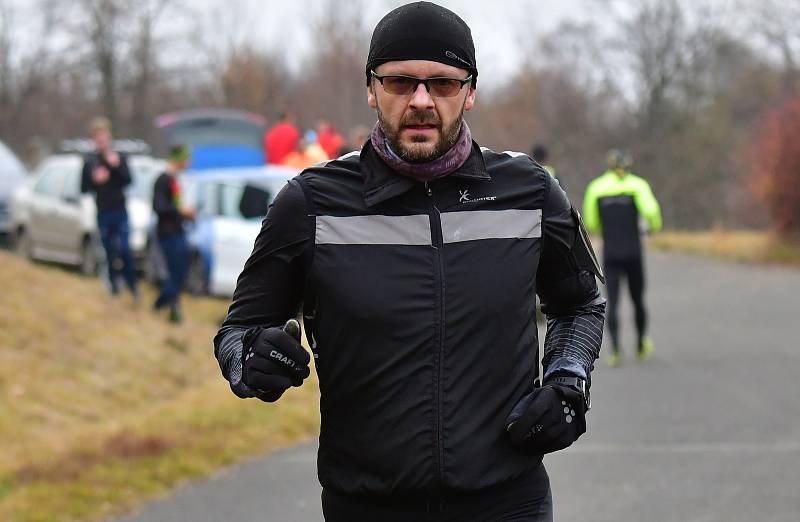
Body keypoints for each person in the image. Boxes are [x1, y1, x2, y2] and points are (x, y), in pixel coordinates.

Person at [214, 3, 605, 520]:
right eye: (401, 82)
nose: (421, 101)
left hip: (507, 500)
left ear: (470, 91)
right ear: (371, 89)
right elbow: (238, 331)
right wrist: (251, 361)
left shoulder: (529, 192)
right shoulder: (309, 204)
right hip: (367, 504)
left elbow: (582, 303)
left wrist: (567, 380)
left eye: (442, 84)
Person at [582, 149, 662, 367]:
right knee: (638, 299)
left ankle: (616, 349)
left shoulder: (596, 188)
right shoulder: (638, 185)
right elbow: (652, 212)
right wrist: (654, 227)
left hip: (611, 251)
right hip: (633, 250)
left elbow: (591, 221)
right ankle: (641, 343)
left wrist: (603, 227)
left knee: (613, 301)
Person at [80, 117, 138, 300]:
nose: (101, 141)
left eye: (104, 136)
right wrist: (95, 180)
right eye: (97, 138)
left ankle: (132, 286)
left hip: (120, 211)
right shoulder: (90, 162)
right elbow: (83, 188)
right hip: (103, 212)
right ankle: (114, 288)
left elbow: (129, 180)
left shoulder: (119, 157)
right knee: (110, 252)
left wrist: (116, 167)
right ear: (93, 140)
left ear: (109, 137)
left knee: (125, 250)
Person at [152, 145, 194, 323]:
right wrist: (181, 212)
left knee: (180, 273)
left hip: (178, 231)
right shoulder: (163, 180)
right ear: (178, 159)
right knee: (176, 274)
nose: (189, 162)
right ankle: (160, 305)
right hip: (168, 234)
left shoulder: (175, 180)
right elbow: (159, 207)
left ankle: (173, 311)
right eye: (186, 158)